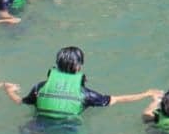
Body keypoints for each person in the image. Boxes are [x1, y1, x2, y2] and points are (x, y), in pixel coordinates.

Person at [8, 46, 159, 120]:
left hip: (38, 126)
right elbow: (117, 99)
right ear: (79, 67)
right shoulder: (85, 94)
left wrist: (10, 91)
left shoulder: (40, 87)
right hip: (68, 129)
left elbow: (20, 102)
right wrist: (146, 93)